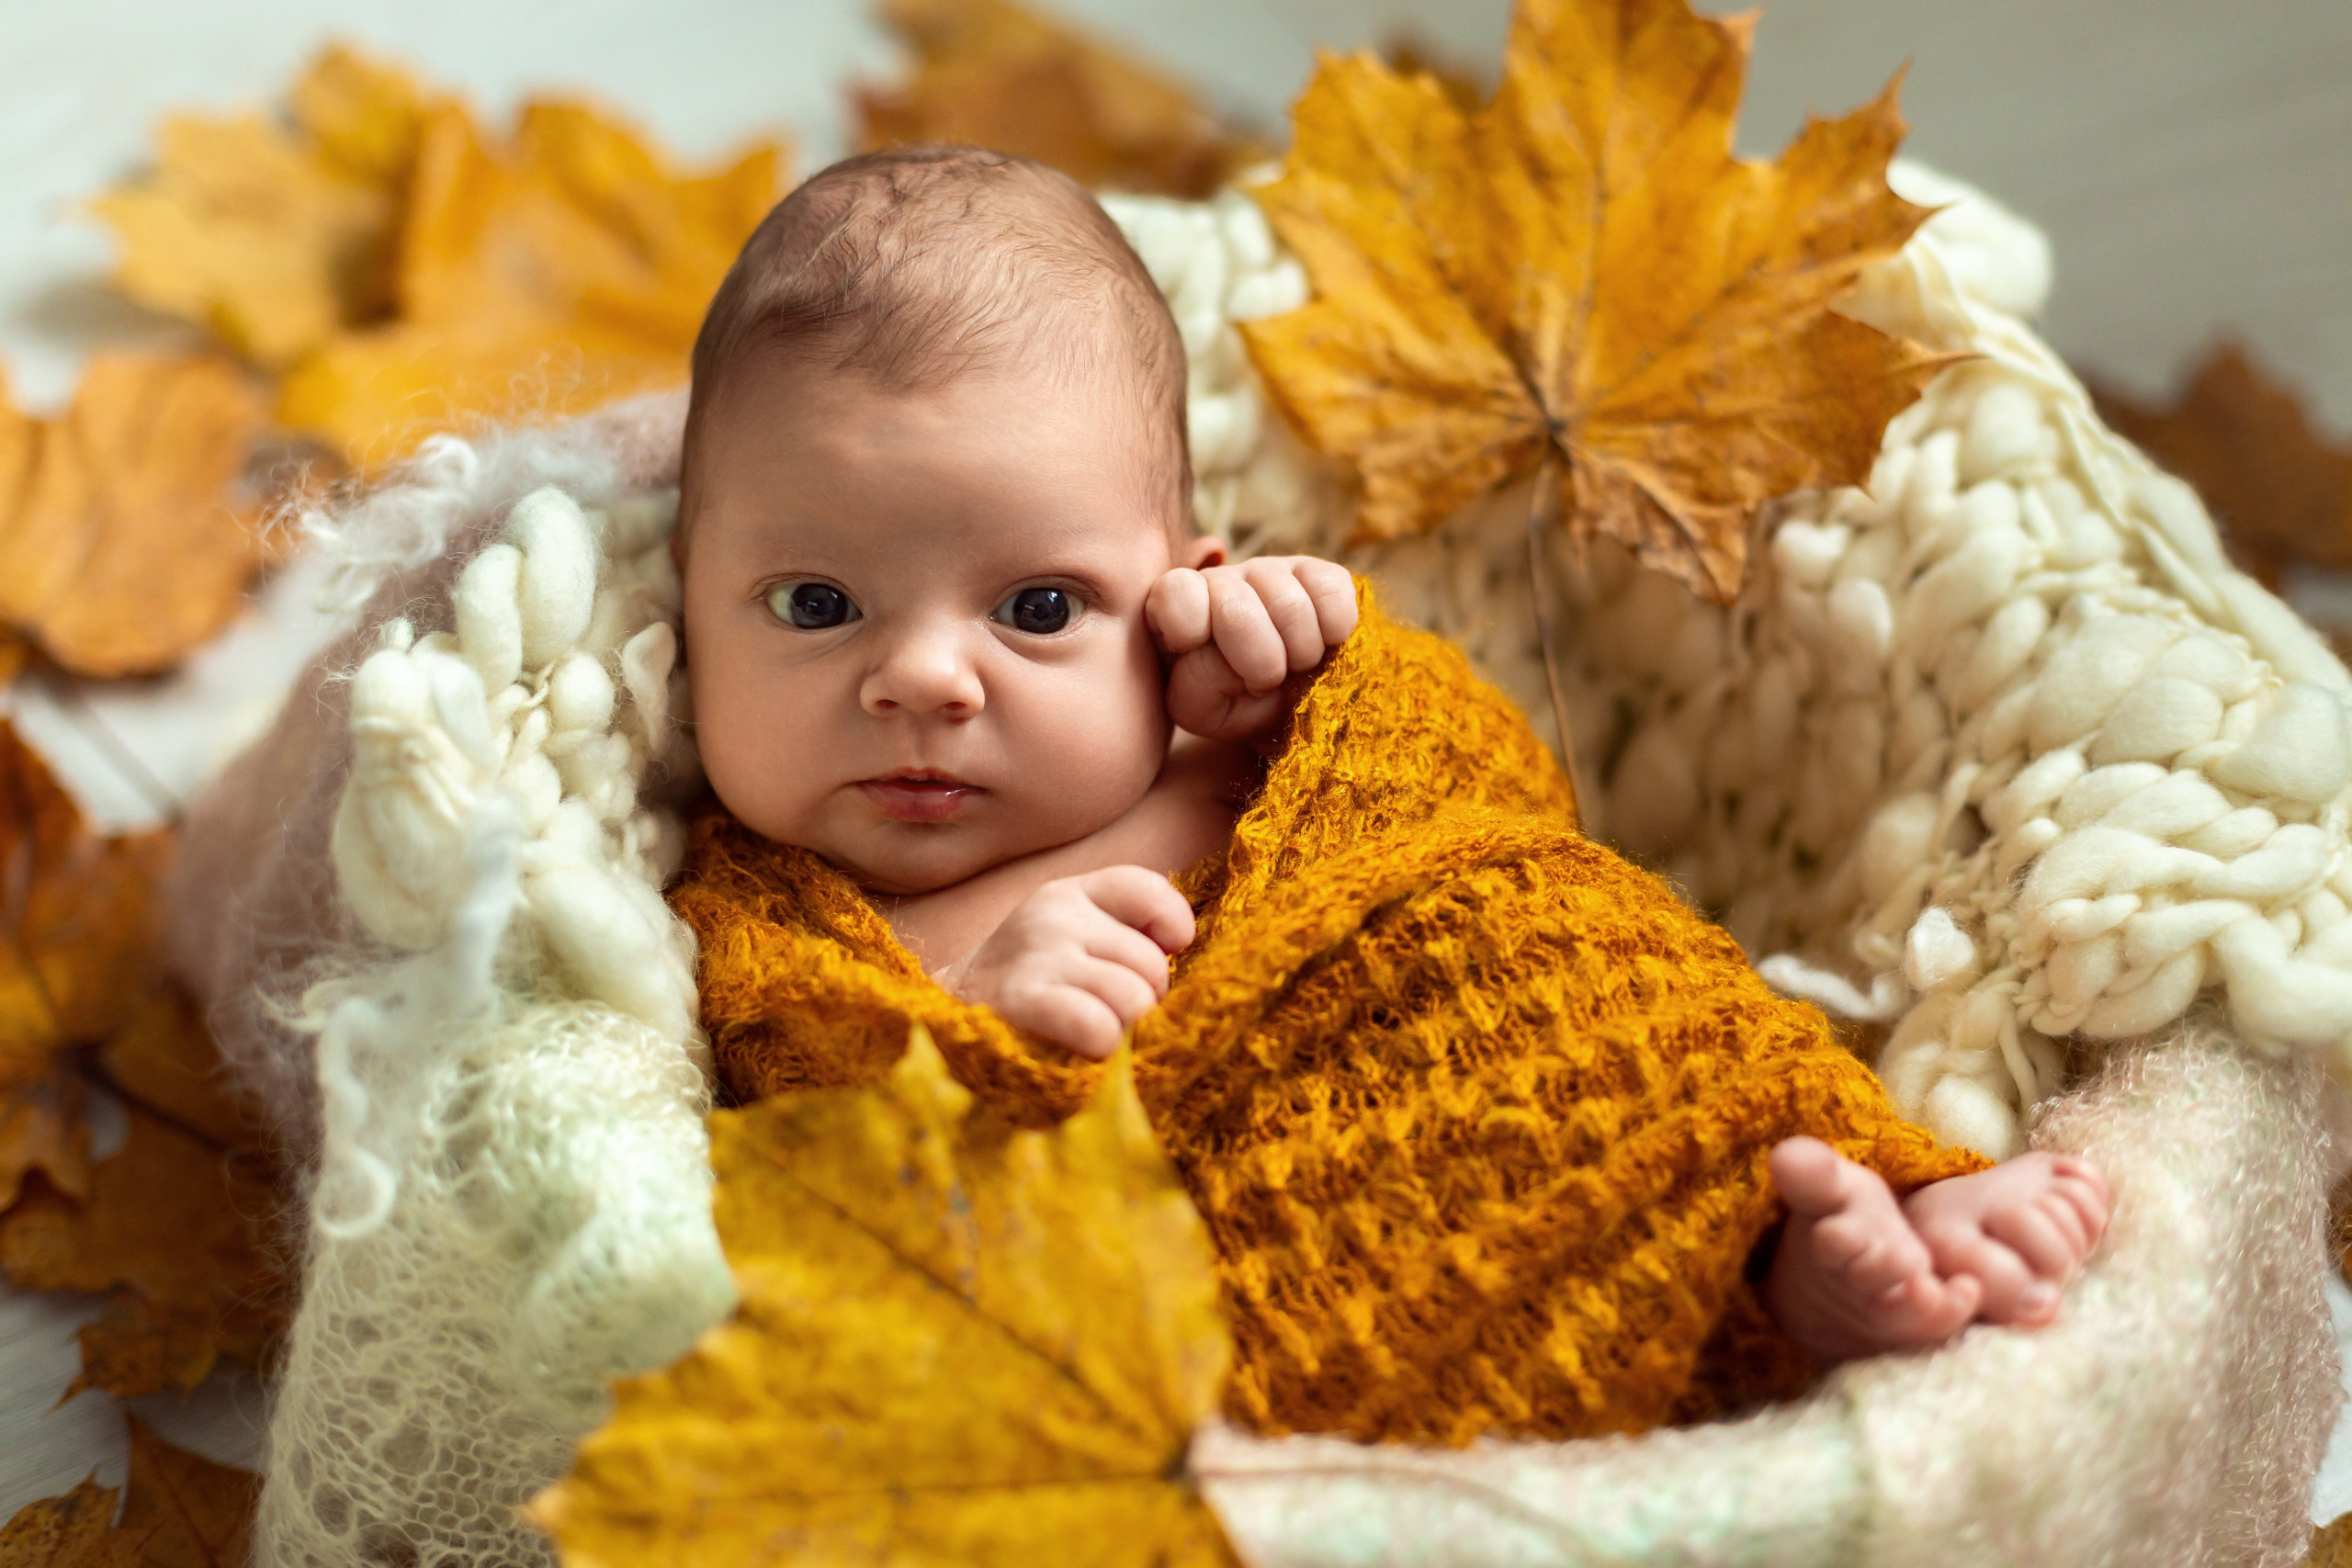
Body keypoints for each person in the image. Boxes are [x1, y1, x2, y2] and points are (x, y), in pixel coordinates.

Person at [665, 144, 2109, 1443]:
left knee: (1572, 944)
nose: (922, 679)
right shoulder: (764, 907)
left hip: (1503, 1041)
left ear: (1189, 588)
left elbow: (1504, 796)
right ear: (682, 613)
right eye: (813, 602)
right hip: (1268, 1252)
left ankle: (1828, 1221)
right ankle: (1754, 1307)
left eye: (1038, 607)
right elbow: (802, 1165)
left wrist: (1327, 680)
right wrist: (972, 1017)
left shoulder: (1237, 736)